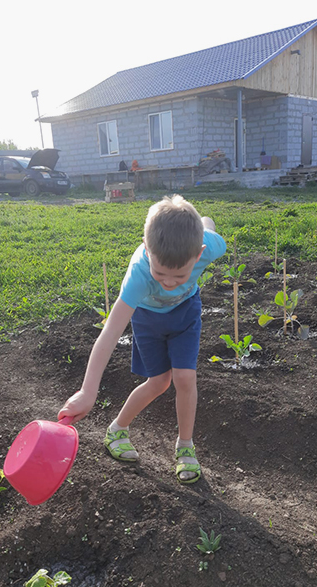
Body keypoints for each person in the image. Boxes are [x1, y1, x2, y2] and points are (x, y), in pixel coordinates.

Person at [58, 194, 226, 484]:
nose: (169, 282)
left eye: (180, 275)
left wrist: (203, 224)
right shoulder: (138, 276)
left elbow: (209, 228)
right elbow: (110, 332)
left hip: (186, 313)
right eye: (160, 273)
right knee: (159, 382)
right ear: (148, 250)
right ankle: (117, 430)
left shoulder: (209, 248)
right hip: (147, 319)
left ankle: (185, 446)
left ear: (199, 255)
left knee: (185, 378)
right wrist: (87, 392)